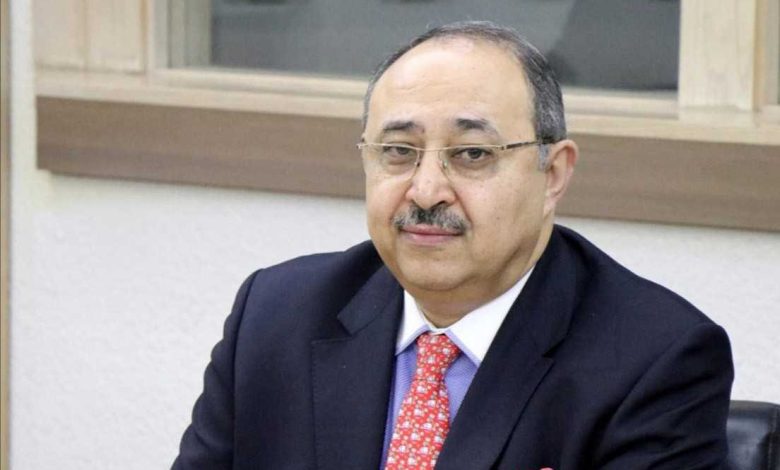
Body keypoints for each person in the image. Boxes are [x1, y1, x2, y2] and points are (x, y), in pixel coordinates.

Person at [173, 21, 734, 470]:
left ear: (553, 174)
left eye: (472, 155)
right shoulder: (275, 315)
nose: (426, 191)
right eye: (398, 151)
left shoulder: (657, 360)